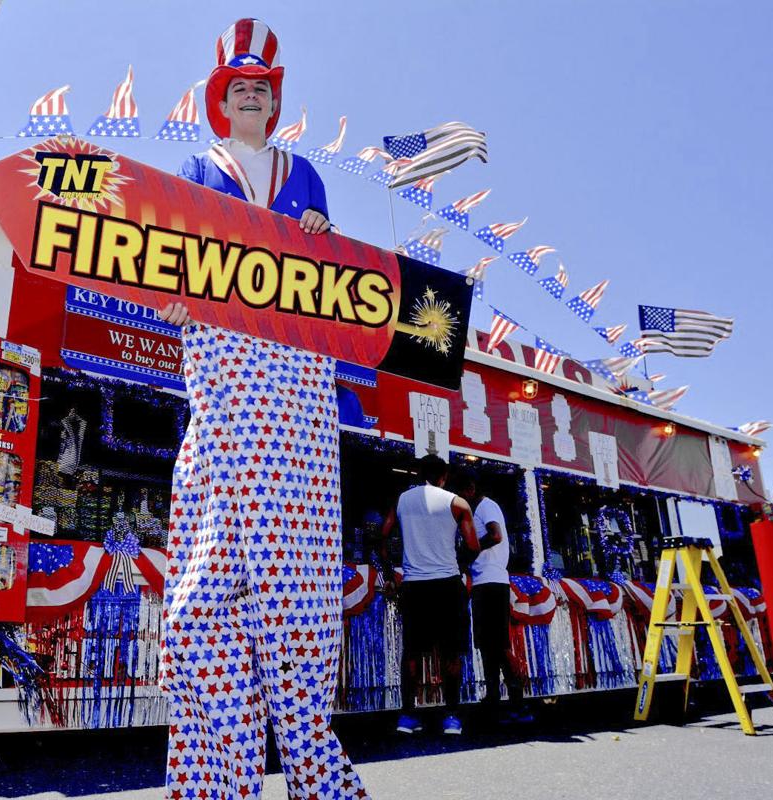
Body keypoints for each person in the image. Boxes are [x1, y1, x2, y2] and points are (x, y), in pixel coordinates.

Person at [156, 18, 368, 800]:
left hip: (295, 371)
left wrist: (322, 233)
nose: (251, 92)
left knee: (300, 576)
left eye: (262, 86)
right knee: (209, 575)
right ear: (222, 98)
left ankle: (316, 770)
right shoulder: (193, 166)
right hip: (221, 363)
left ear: (273, 103)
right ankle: (218, 781)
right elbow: (171, 251)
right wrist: (173, 295)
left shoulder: (304, 172)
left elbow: (337, 272)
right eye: (239, 84)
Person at [383, 454, 478, 736]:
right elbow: (472, 546)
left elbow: (380, 537)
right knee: (452, 651)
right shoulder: (458, 503)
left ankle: (408, 715)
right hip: (448, 583)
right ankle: (451, 716)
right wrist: (456, 563)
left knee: (412, 651)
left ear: (418, 473)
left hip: (414, 585)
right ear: (443, 476)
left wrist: (390, 574)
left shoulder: (401, 500)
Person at [454, 469, 529, 721]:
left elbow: (496, 535)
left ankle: (518, 702)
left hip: (493, 582)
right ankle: (494, 697)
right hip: (482, 583)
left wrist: (470, 550)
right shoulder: (476, 512)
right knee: (487, 645)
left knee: (498, 644)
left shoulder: (487, 507)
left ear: (471, 489)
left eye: (461, 493)